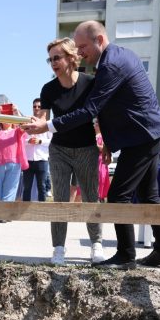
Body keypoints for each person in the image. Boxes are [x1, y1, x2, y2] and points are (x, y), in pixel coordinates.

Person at [23, 21, 160, 270]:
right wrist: (110, 142)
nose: (80, 53)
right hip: (147, 134)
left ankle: (125, 254)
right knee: (148, 196)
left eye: (82, 47)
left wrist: (47, 127)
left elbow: (92, 110)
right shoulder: (119, 56)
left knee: (117, 196)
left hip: (141, 136)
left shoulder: (109, 66)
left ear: (99, 40)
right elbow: (112, 109)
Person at [33, 37, 103, 265]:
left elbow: (99, 116)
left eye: (57, 57)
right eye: (50, 59)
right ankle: (59, 248)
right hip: (59, 150)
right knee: (60, 199)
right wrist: (31, 125)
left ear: (71, 58)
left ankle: (96, 244)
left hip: (86, 149)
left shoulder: (90, 83)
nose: (53, 62)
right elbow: (42, 119)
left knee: (91, 197)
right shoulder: (48, 89)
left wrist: (107, 143)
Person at [0, 109, 28, 208]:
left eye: (8, 116)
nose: (6, 118)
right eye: (4, 116)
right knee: (0, 189)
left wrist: (16, 112)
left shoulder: (17, 131)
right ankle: (3, 213)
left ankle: (4, 213)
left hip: (14, 164)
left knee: (10, 189)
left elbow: (24, 124)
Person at [22, 98, 52, 202]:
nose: (37, 108)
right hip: (28, 159)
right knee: (26, 187)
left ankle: (42, 212)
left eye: (39, 106)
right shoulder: (26, 122)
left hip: (42, 159)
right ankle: (24, 213)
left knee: (42, 187)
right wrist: (28, 141)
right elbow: (21, 140)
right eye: (35, 106)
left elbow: (51, 141)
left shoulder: (47, 123)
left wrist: (40, 141)